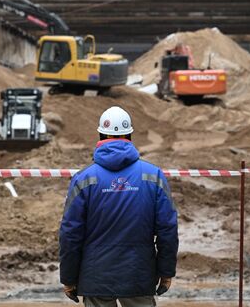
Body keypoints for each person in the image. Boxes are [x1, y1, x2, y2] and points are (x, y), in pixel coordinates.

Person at [59, 106, 179, 307]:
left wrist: (69, 277)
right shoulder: (153, 175)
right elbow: (168, 229)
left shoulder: (84, 178)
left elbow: (70, 233)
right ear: (129, 135)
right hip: (138, 276)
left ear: (100, 134)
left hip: (96, 277)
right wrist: (166, 272)